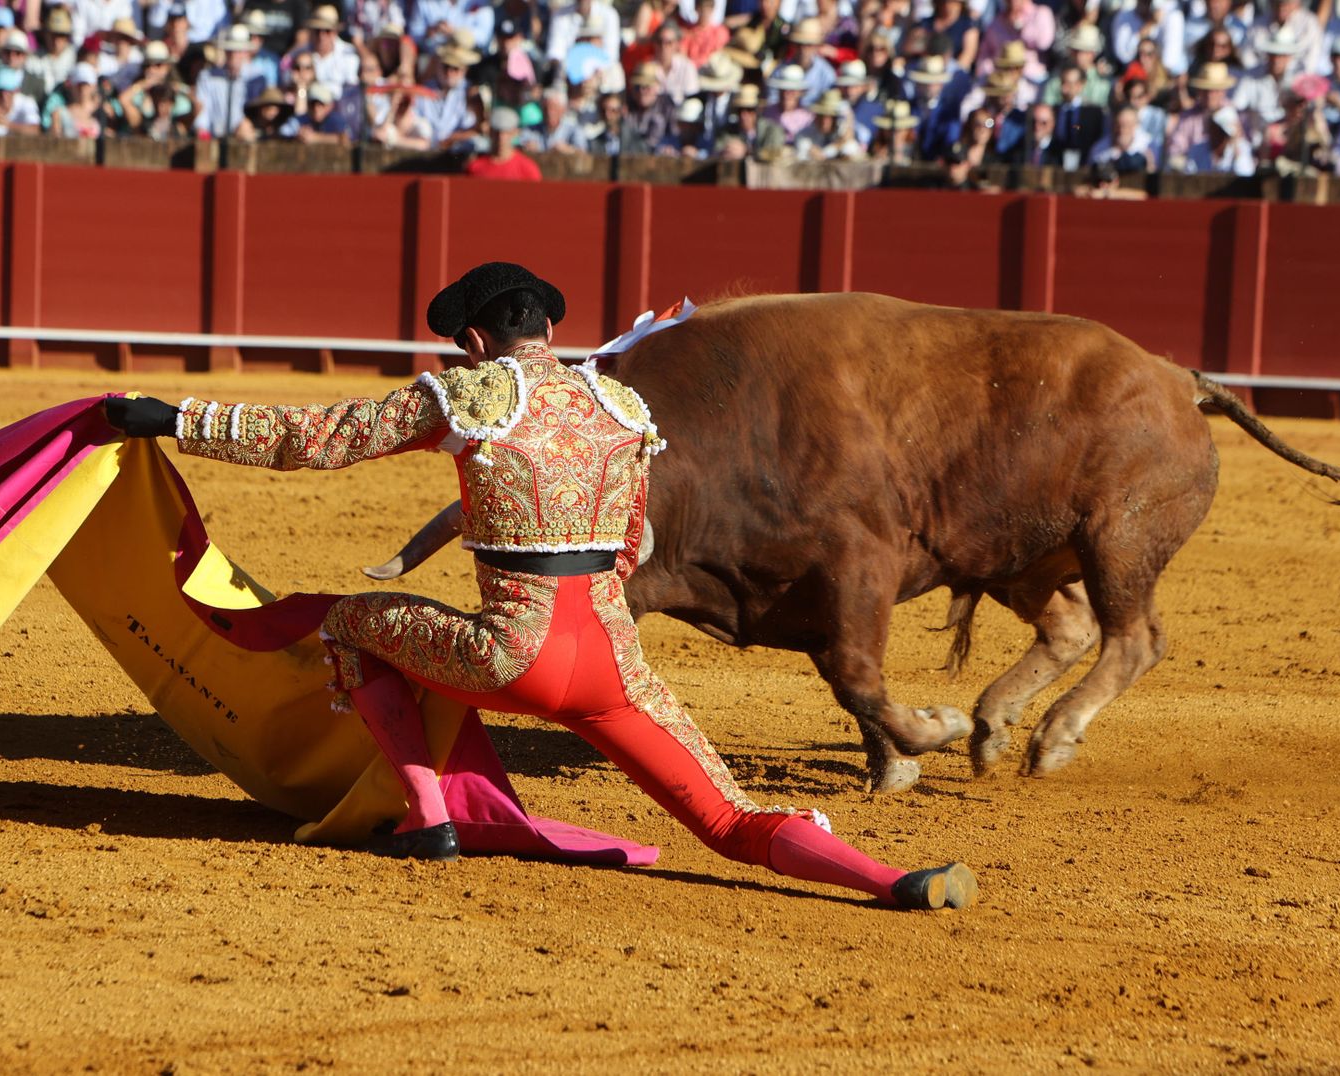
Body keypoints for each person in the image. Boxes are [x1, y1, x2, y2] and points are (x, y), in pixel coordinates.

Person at [101, 262, 979, 911]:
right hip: (610, 667)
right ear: (547, 331)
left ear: (477, 341)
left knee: (354, 623)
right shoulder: (624, 409)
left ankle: (429, 818)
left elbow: (319, 438)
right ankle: (889, 879)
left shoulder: (472, 395)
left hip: (505, 653)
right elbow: (632, 545)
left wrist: (180, 419)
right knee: (726, 820)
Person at [466, 105, 541, 177]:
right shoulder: (475, 167)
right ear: (490, 133)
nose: (501, 137)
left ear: (515, 133)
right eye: (496, 133)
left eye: (506, 133)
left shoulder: (527, 169)